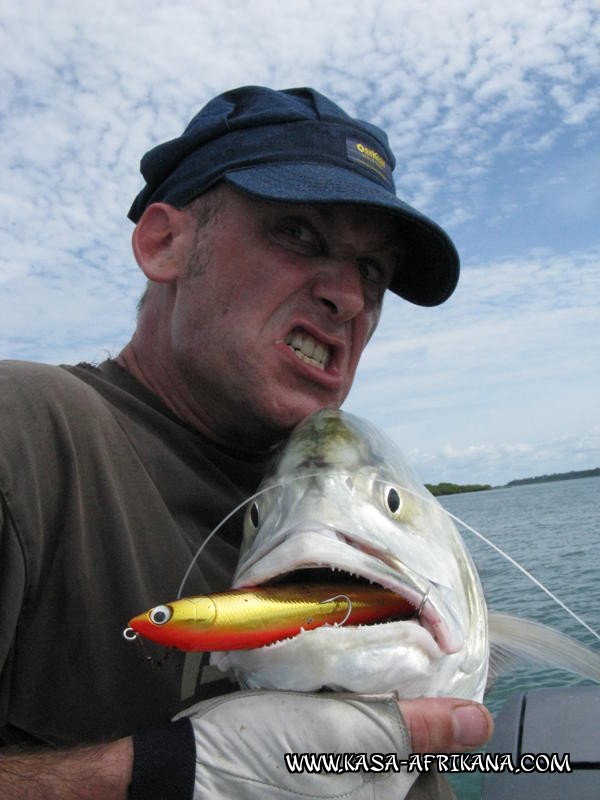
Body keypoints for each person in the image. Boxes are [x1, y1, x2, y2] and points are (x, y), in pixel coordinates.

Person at [0, 86, 492, 798]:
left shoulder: (352, 505)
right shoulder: (27, 435)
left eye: (374, 272)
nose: (348, 298)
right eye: (297, 233)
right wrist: (158, 775)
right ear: (164, 243)